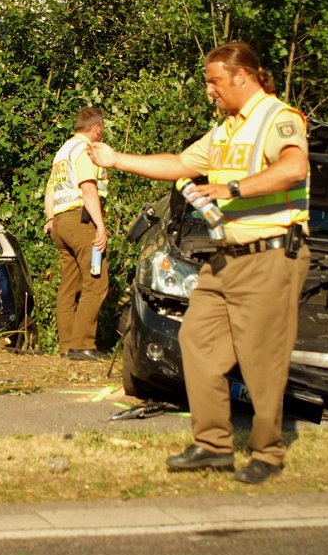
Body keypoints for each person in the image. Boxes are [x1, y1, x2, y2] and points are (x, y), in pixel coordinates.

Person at [89, 42, 310, 484]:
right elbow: (180, 164)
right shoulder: (225, 131)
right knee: (197, 340)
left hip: (270, 255)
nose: (209, 90)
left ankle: (267, 452)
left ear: (242, 76)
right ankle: (213, 445)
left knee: (261, 358)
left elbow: (294, 168)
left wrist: (232, 190)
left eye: (214, 81)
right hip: (224, 259)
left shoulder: (278, 118)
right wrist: (117, 160)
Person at [43, 107, 110, 360]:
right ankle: (83, 345)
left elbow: (50, 190)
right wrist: (100, 226)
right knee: (96, 283)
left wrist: (51, 218)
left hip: (60, 223)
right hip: (81, 222)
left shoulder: (62, 152)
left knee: (69, 286)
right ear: (97, 128)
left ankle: (67, 346)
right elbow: (88, 189)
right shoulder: (84, 150)